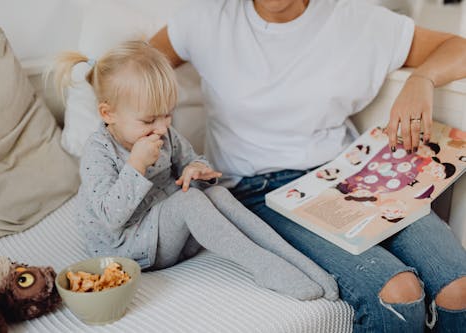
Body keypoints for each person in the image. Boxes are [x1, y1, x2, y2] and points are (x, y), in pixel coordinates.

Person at [149, 0, 466, 331]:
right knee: (397, 293)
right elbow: (136, 70)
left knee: (458, 288)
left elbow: (457, 47)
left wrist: (423, 79)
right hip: (257, 192)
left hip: (349, 177)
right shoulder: (206, 17)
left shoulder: (356, 19)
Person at [51, 40, 339, 301]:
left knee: (218, 194)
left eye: (167, 114)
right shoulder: (99, 152)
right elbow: (110, 217)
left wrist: (196, 169)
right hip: (128, 251)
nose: (162, 128)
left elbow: (193, 158)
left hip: (173, 239)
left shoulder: (163, 133)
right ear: (107, 114)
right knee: (189, 202)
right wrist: (136, 165)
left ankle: (297, 262)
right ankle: (263, 267)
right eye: (149, 119)